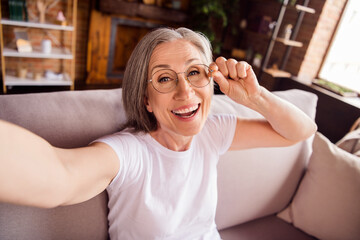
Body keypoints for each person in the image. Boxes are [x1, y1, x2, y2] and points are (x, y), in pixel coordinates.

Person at [0, 27, 317, 239]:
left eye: (194, 72)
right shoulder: (131, 152)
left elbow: (301, 131)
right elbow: (61, 175)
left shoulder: (212, 131)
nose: (185, 91)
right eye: (165, 79)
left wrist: (256, 97)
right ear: (145, 100)